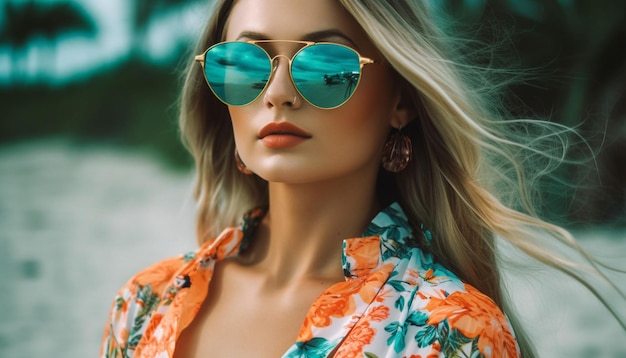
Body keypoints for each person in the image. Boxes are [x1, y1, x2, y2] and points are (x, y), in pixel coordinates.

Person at [100, 0, 624, 357]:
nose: (278, 91)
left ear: (399, 99)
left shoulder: (449, 331)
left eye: (326, 65)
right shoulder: (146, 302)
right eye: (245, 63)